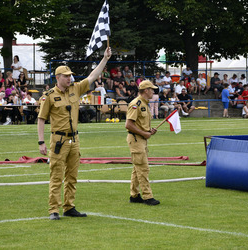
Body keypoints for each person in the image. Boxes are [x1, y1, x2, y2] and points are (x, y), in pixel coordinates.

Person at [37, 47, 112, 220]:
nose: (70, 78)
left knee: (72, 175)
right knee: (56, 176)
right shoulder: (48, 96)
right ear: (58, 78)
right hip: (58, 140)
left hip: (74, 139)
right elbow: (41, 119)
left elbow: (92, 76)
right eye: (66, 76)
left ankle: (69, 206)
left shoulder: (75, 89)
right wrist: (41, 142)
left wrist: (105, 59)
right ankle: (53, 210)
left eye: (70, 75)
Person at [125, 80, 160, 206]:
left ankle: (134, 195)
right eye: (151, 89)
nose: (153, 91)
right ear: (146, 90)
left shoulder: (145, 104)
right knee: (143, 168)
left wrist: (149, 131)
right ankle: (147, 196)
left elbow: (140, 123)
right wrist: (144, 133)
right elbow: (128, 124)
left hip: (141, 139)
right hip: (136, 140)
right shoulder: (136, 104)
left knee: (137, 168)